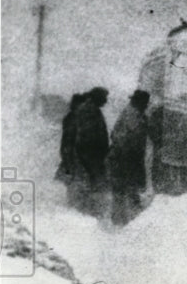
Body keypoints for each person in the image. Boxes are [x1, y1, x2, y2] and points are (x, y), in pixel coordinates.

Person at [107, 90, 151, 225]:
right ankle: (124, 224)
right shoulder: (132, 115)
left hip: (127, 160)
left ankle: (122, 222)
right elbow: (121, 138)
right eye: (145, 103)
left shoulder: (138, 115)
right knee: (124, 192)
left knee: (124, 192)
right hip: (124, 160)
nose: (146, 106)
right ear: (139, 102)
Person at [71, 87, 110, 216]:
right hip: (89, 157)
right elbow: (87, 137)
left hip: (91, 156)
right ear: (97, 97)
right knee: (89, 186)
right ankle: (85, 214)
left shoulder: (91, 109)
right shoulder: (89, 110)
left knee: (90, 186)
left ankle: (87, 212)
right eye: (104, 98)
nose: (106, 101)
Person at [55, 93, 86, 204]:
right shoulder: (73, 119)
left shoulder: (72, 117)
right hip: (73, 157)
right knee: (75, 185)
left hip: (72, 156)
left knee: (75, 185)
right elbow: (68, 142)